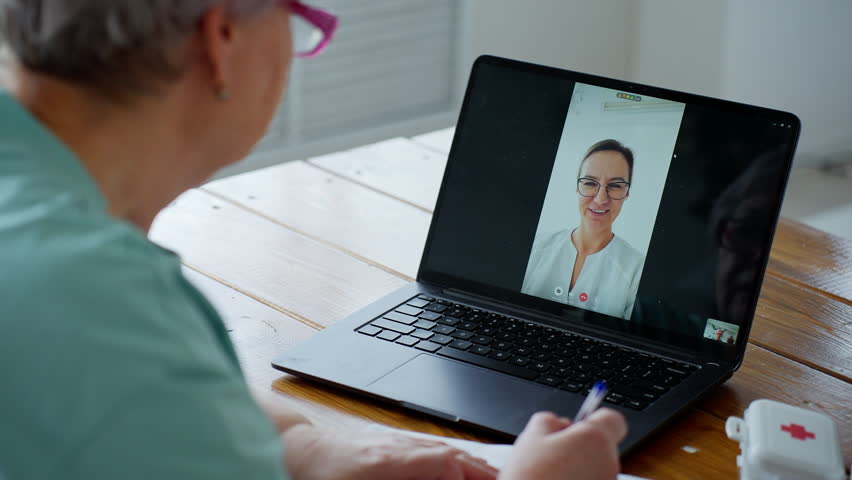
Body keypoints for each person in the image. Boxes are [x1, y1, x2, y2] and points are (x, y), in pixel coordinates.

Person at [0, 1, 627, 479]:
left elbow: (143, 388)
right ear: (220, 41)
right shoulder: (94, 303)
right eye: (297, 18)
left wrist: (303, 445)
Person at [522, 140, 644, 320]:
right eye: (589, 183)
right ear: (577, 187)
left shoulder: (637, 269)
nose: (601, 199)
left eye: (616, 186)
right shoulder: (536, 247)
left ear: (627, 193)